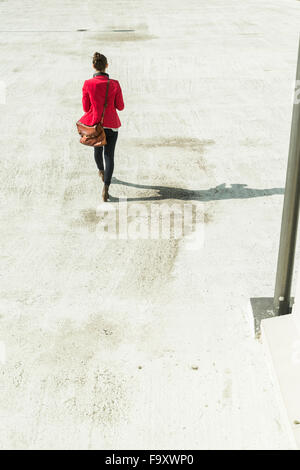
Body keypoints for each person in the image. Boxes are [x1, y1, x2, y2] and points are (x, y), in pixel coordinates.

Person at [79, 52, 125, 202]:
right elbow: (121, 106)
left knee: (98, 150)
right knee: (109, 155)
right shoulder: (115, 84)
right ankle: (106, 187)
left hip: (95, 125)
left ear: (93, 66)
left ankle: (101, 171)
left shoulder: (87, 84)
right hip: (111, 125)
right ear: (106, 66)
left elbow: (86, 108)